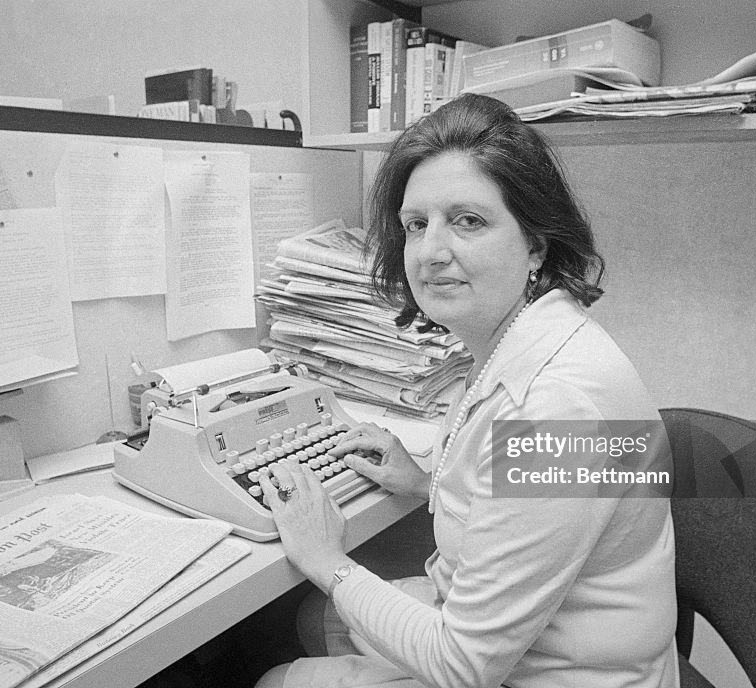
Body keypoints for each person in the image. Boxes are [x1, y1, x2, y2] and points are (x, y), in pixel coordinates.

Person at [254, 93, 677, 688]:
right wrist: (428, 482)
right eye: (415, 225)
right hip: (535, 639)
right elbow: (524, 508)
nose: (430, 252)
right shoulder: (520, 339)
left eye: (468, 221)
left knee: (280, 676)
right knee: (317, 616)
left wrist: (326, 559)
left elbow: (463, 668)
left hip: (549, 675)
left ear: (536, 244)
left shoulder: (557, 411)